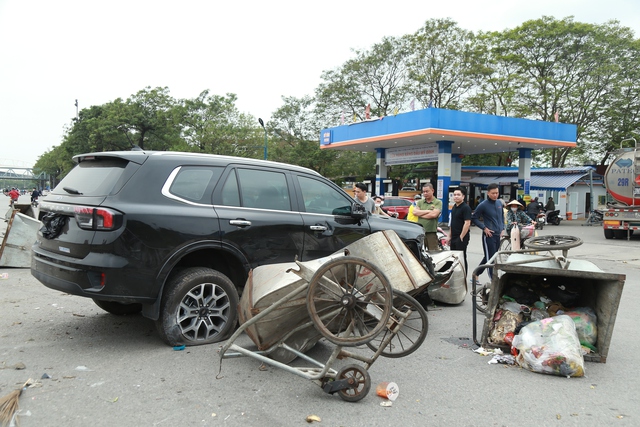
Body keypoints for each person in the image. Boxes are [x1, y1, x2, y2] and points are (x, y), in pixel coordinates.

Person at [471, 183, 504, 281]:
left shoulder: (499, 203)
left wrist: (502, 228)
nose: (495, 195)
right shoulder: (483, 205)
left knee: (490, 256)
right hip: (488, 235)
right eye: (493, 193)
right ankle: (493, 281)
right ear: (488, 193)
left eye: (497, 193)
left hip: (498, 235)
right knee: (491, 258)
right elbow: (474, 218)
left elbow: (502, 217)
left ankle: (475, 274)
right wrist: (484, 228)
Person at [447, 187, 472, 277]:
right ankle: (455, 275)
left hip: (461, 237)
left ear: (463, 196)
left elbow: (467, 223)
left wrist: (461, 236)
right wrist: (449, 236)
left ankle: (463, 276)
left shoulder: (466, 208)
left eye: (458, 195)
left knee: (461, 257)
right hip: (454, 236)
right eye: (455, 195)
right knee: (453, 257)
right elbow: (452, 223)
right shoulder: (454, 207)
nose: (456, 197)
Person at [413, 183, 442, 251]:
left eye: (427, 191)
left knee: (433, 252)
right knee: (419, 252)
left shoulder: (438, 202)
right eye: (423, 192)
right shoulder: (420, 202)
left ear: (432, 191)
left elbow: (433, 215)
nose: (425, 193)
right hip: (420, 232)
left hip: (431, 232)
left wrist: (420, 213)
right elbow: (415, 212)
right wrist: (428, 211)